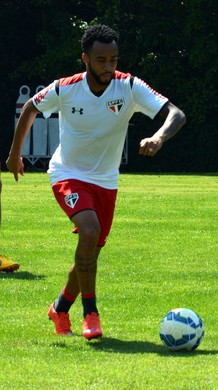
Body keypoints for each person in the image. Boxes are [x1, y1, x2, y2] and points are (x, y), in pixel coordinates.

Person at [6, 24, 186, 339]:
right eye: (101, 60)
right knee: (89, 231)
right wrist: (13, 155)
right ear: (85, 59)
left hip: (106, 182)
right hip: (68, 174)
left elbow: (176, 114)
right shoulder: (65, 88)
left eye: (113, 59)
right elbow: (31, 107)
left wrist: (158, 137)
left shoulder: (128, 86)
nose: (108, 67)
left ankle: (60, 308)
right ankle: (91, 314)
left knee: (90, 252)